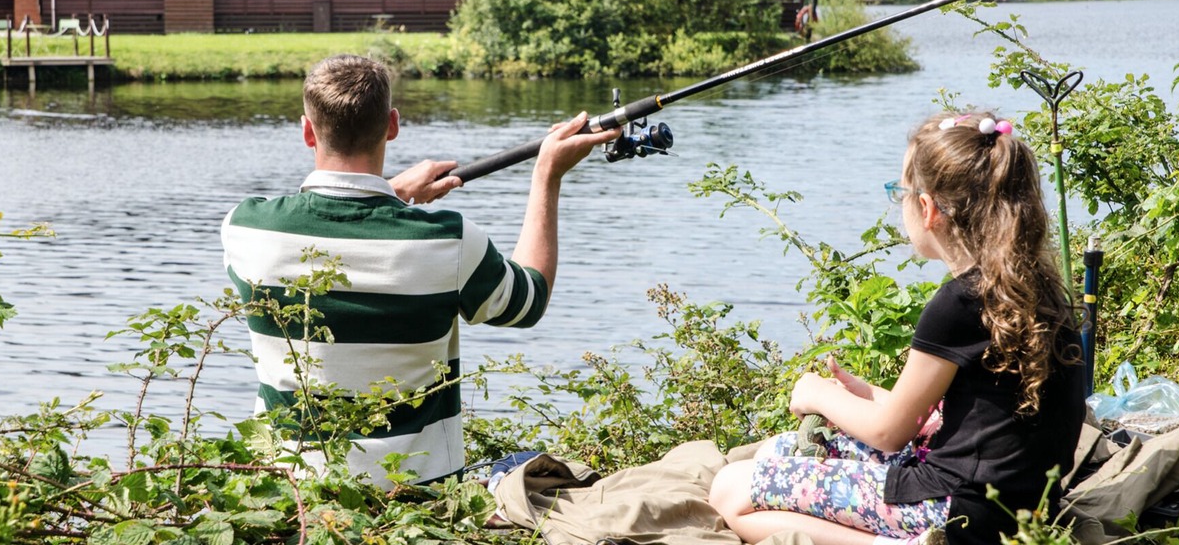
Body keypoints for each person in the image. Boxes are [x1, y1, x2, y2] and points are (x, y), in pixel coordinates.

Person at [221, 54, 618, 488]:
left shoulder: (247, 227)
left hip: (288, 491)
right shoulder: (448, 240)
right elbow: (528, 301)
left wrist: (392, 192)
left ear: (307, 131)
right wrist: (547, 174)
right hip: (417, 496)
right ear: (392, 125)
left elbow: (345, 221)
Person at [709, 111, 1085, 545]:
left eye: (900, 194)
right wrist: (867, 397)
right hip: (1018, 506)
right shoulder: (1035, 287)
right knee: (778, 451)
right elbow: (975, 420)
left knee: (731, 491)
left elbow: (890, 433)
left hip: (956, 507)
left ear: (927, 209)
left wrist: (818, 393)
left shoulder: (959, 302)